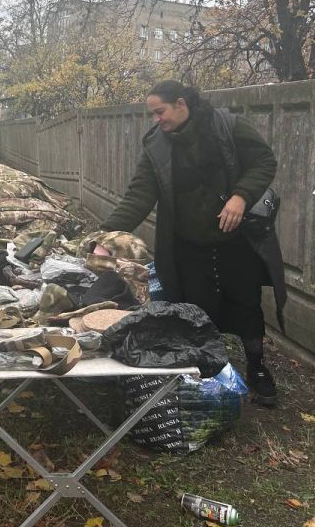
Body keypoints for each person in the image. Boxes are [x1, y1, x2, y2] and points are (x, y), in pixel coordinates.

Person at [100, 80, 286, 406]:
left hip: (235, 242)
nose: (156, 119)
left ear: (182, 105)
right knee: (195, 311)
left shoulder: (226, 127)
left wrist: (240, 197)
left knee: (246, 306)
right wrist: (107, 237)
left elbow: (264, 161)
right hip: (187, 246)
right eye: (153, 114)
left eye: (160, 112)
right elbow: (138, 195)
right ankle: (204, 375)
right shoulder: (157, 147)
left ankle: (257, 368)